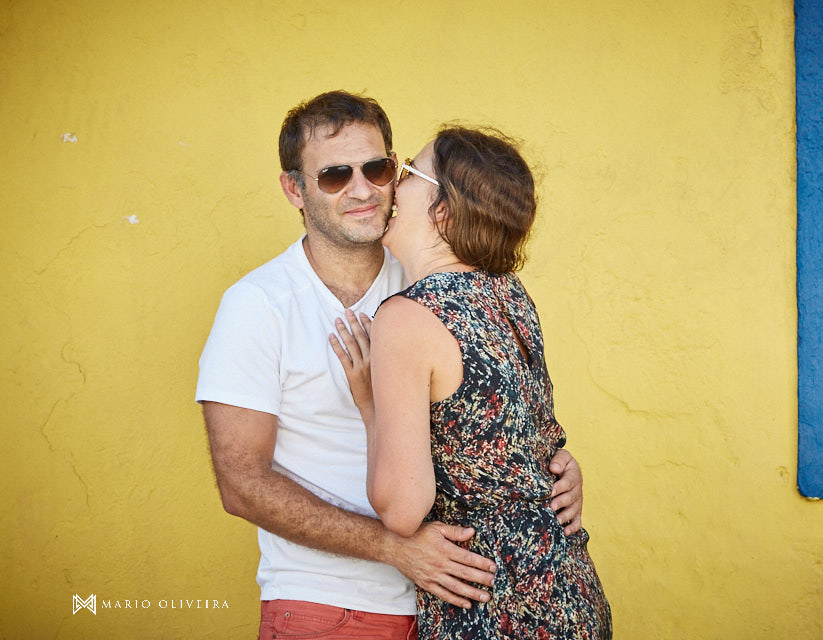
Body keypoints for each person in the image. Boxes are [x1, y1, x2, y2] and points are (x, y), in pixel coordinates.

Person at [195, 91, 586, 640]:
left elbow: (491, 416)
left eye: (378, 169)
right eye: (334, 175)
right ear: (295, 189)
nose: (362, 189)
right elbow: (241, 483)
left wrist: (553, 469)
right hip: (335, 608)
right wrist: (394, 548)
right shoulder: (257, 305)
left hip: (456, 609)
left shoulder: (428, 284)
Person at [332, 126, 612, 639]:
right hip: (569, 590)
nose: (392, 186)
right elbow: (516, 437)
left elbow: (402, 509)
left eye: (408, 174)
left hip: (494, 605)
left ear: (443, 210)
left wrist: (370, 405)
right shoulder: (509, 293)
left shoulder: (407, 318)